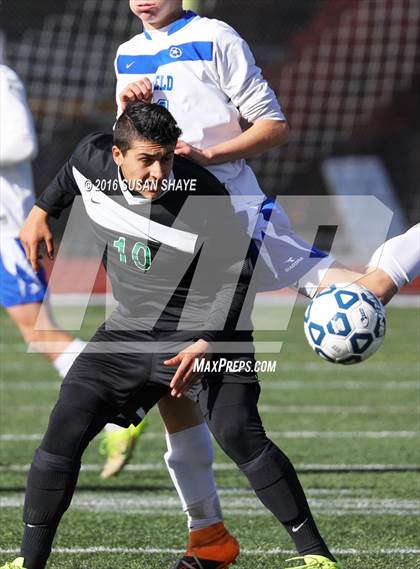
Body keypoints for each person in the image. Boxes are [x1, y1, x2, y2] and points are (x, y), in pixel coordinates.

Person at [3, 103, 347, 569]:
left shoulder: (201, 192)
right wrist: (42, 209)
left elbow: (237, 273)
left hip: (209, 330)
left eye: (165, 158)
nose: (159, 171)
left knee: (238, 433)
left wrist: (206, 340)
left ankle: (316, 557)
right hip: (128, 331)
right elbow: (69, 173)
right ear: (118, 155)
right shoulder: (91, 158)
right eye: (147, 159)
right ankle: (29, 562)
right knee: (62, 431)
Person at [0, 65, 86, 380]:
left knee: (39, 332)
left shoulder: (1, 79)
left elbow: (23, 142)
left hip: (6, 228)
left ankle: (122, 394)